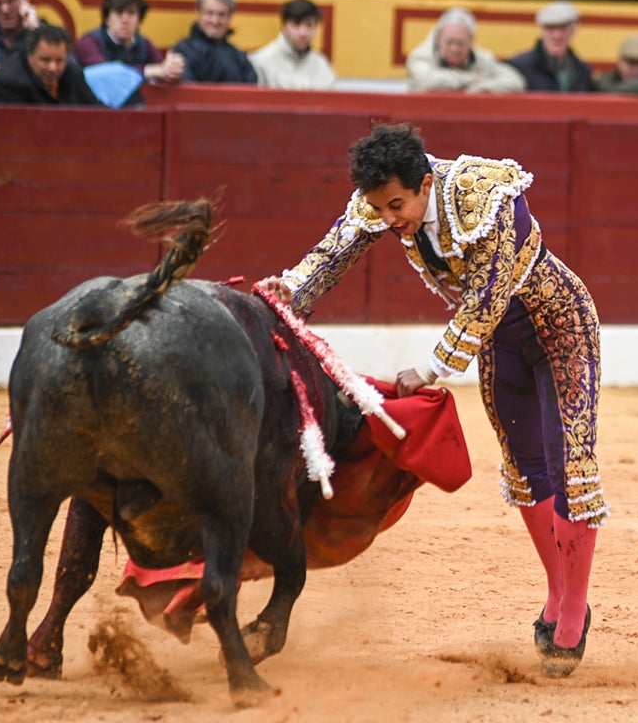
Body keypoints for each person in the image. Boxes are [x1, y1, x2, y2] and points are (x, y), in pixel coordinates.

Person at [260, 123, 608, 677]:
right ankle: (558, 591)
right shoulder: (382, 203)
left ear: (425, 183)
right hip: (503, 346)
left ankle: (570, 616)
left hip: (560, 328)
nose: (389, 218)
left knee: (574, 467)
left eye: (397, 205)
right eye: (380, 208)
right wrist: (292, 287)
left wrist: (428, 369)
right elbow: (336, 249)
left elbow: (489, 297)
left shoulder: (484, 193)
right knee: (524, 471)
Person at [75, 0, 185, 84]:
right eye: (119, 13)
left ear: (139, 20)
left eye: (131, 13)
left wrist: (172, 70)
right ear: (107, 18)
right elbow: (107, 74)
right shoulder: (89, 43)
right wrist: (149, 71)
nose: (125, 20)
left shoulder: (143, 43)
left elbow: (162, 69)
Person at [405, 7, 525, 94]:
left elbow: (515, 81)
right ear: (439, 39)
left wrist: (482, 87)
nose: (454, 49)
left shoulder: (481, 59)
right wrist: (471, 79)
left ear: (471, 42)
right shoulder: (419, 57)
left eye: (460, 43)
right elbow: (429, 81)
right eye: (449, 42)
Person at [0, 22, 103, 105]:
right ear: (30, 55)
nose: (53, 67)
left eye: (59, 61)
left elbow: (96, 111)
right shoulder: (7, 83)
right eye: (45, 60)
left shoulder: (72, 72)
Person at [171, 0, 259, 84]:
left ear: (230, 16)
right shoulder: (183, 52)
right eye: (209, 13)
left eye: (221, 14)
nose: (215, 21)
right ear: (198, 13)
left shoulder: (239, 58)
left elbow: (252, 92)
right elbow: (186, 94)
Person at [250, 0, 337, 90]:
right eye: (296, 24)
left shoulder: (322, 66)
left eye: (309, 25)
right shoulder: (260, 62)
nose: (302, 33)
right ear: (284, 26)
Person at [507, 0, 593, 93]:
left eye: (563, 28)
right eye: (550, 28)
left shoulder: (582, 70)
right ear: (542, 32)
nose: (557, 36)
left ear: (573, 31)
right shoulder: (521, 66)